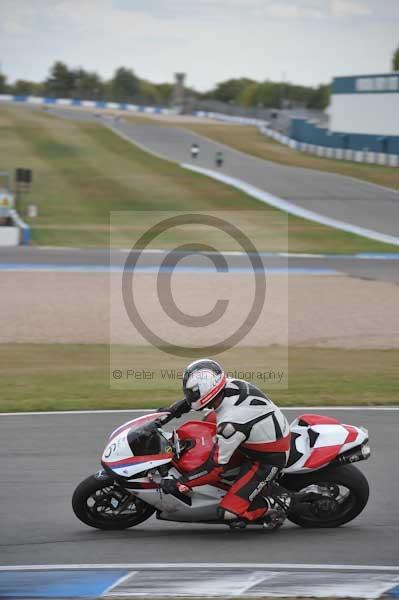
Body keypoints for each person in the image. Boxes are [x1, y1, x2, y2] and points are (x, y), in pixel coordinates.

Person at [160, 358, 291, 528]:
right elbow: (194, 401)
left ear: (207, 390)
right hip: (257, 430)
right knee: (207, 421)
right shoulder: (227, 386)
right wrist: (170, 413)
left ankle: (276, 502)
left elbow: (213, 469)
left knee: (228, 514)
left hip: (267, 458)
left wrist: (180, 483)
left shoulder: (230, 424)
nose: (189, 395)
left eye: (192, 392)